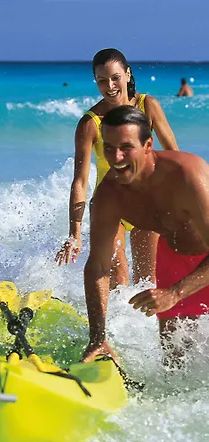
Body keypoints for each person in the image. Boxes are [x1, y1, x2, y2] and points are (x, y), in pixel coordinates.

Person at [81, 105, 209, 368]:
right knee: (175, 369)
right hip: (173, 259)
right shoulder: (109, 196)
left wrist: (174, 293)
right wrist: (97, 338)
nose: (116, 157)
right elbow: (98, 266)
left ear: (148, 145)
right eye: (108, 148)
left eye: (126, 147)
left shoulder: (187, 175)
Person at [56, 48, 179, 288]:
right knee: (119, 282)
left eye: (115, 78)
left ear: (127, 74)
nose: (110, 86)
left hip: (148, 202)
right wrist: (74, 233)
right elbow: (80, 181)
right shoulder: (91, 124)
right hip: (110, 205)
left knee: (147, 283)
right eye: (102, 80)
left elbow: (174, 157)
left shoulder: (148, 106)